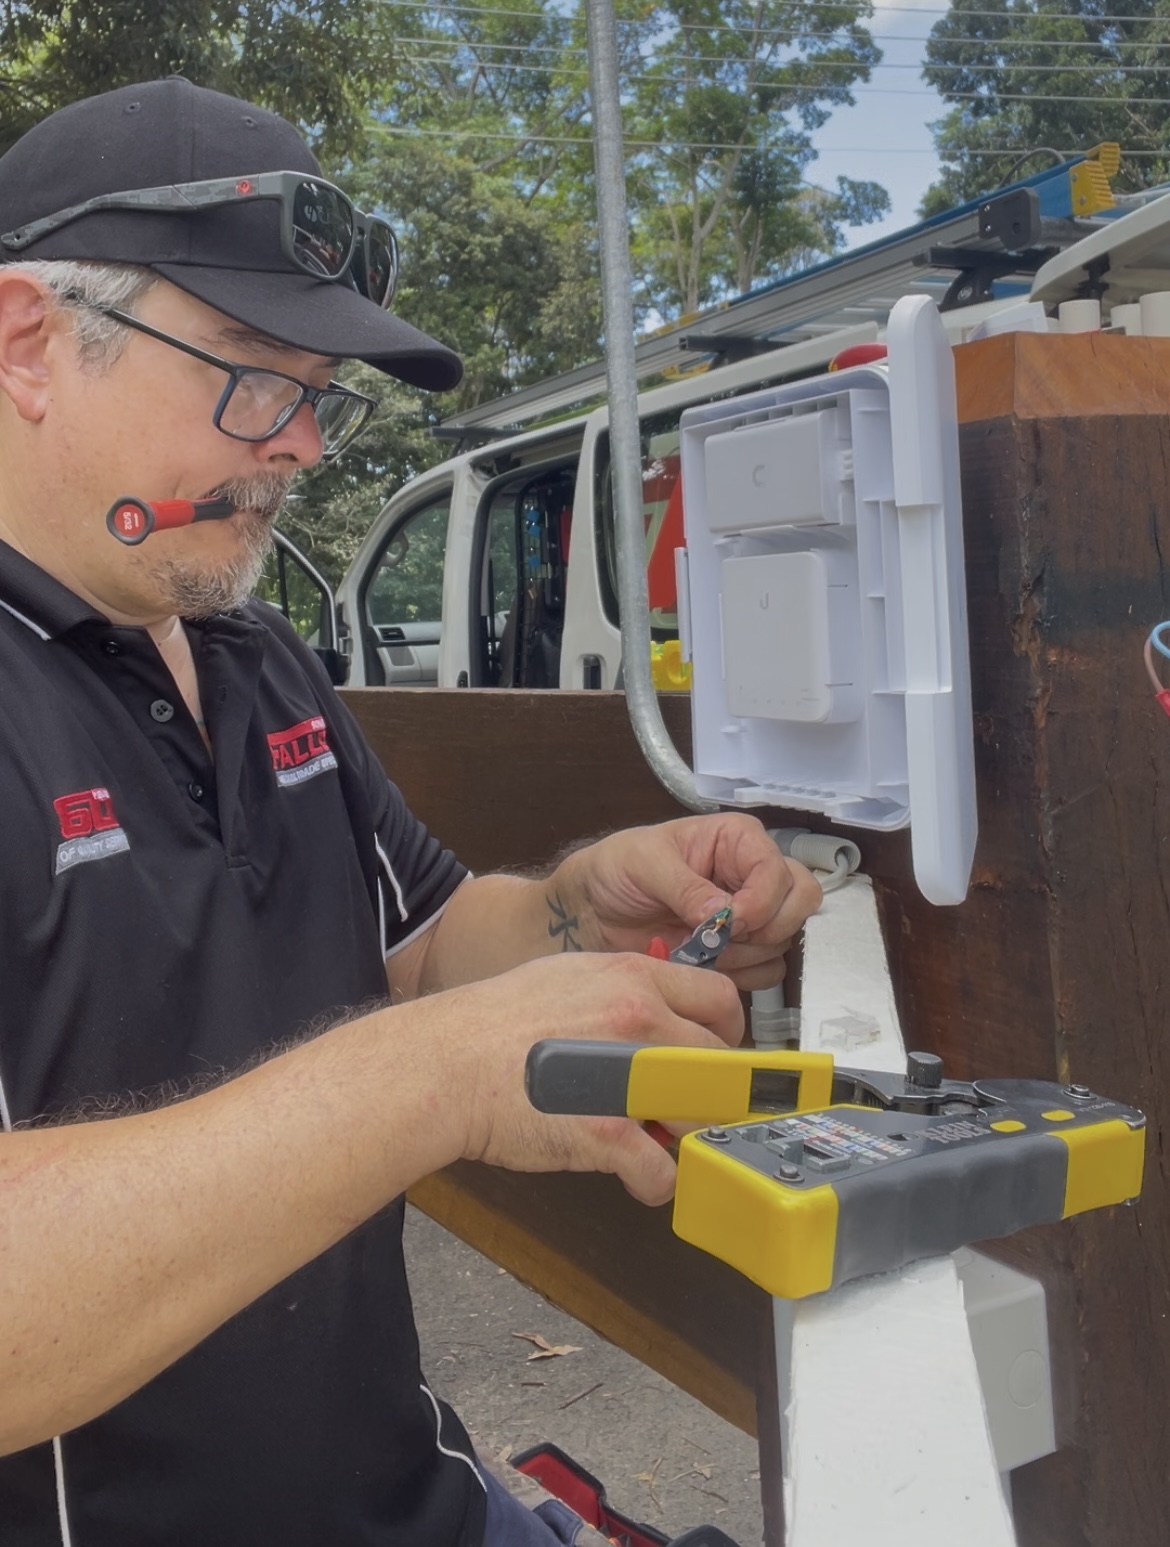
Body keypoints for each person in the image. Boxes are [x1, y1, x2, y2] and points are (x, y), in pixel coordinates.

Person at [0, 78, 821, 1546]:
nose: (303, 444)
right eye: (253, 374)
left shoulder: (257, 655)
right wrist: (433, 1080)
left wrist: (581, 907)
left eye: (317, 391)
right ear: (28, 344)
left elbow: (427, 945)